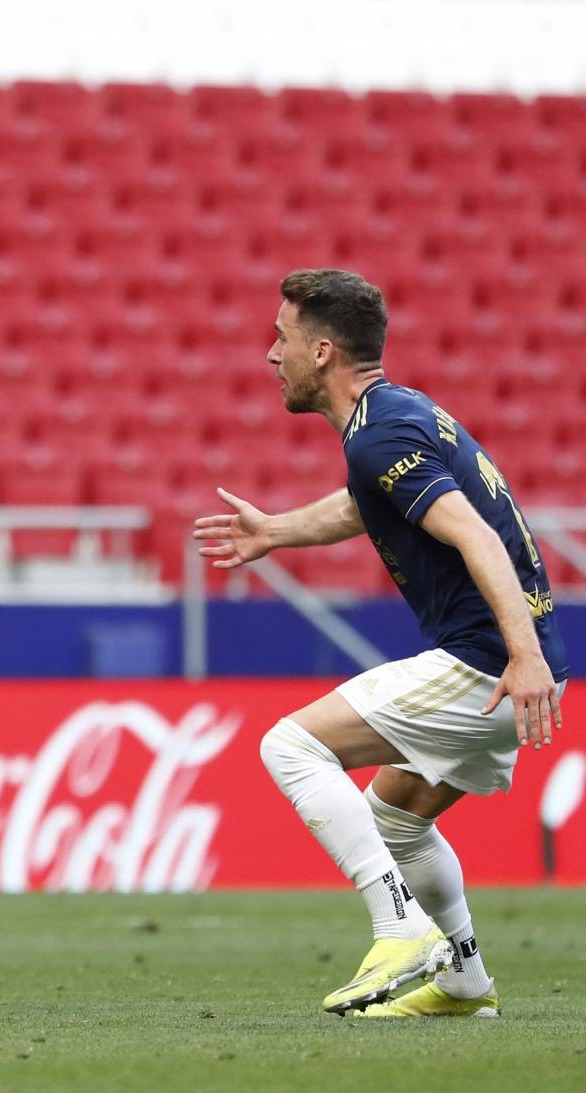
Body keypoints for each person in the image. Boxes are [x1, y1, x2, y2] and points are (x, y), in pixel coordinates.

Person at [193, 269, 567, 1018]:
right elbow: (368, 504)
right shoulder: (393, 419)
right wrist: (277, 532)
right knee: (396, 813)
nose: (273, 354)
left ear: (323, 350)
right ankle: (463, 979)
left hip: (488, 663)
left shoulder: (380, 432)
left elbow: (474, 534)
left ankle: (399, 928)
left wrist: (520, 655)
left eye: (283, 335)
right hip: (517, 662)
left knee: (289, 745)